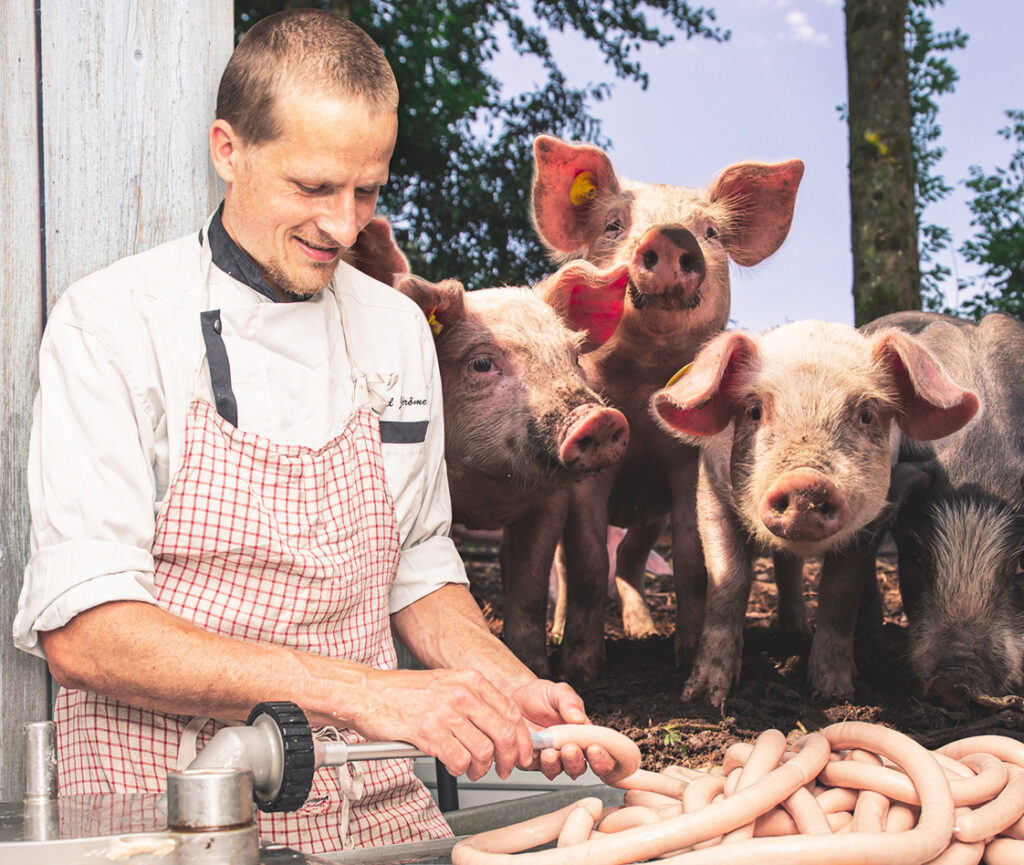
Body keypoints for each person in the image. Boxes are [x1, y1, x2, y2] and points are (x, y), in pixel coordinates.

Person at [13, 9, 613, 854]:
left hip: (370, 799)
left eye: (367, 190)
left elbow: (417, 568)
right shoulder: (113, 324)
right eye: (312, 187)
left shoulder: (398, 331)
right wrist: (372, 694)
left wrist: (507, 683)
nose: (343, 225)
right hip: (165, 813)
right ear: (229, 149)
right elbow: (86, 633)